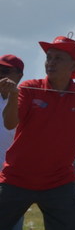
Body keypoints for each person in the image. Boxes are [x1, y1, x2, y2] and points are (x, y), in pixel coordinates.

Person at [0, 35, 75, 230]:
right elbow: (10, 122)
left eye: (58, 58)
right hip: (17, 178)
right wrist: (13, 95)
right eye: (49, 57)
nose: (51, 63)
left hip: (59, 181)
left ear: (73, 65)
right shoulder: (29, 88)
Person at [0, 54, 25, 230]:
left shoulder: (26, 100)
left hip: (11, 177)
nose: (0, 74)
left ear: (19, 75)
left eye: (5, 71)